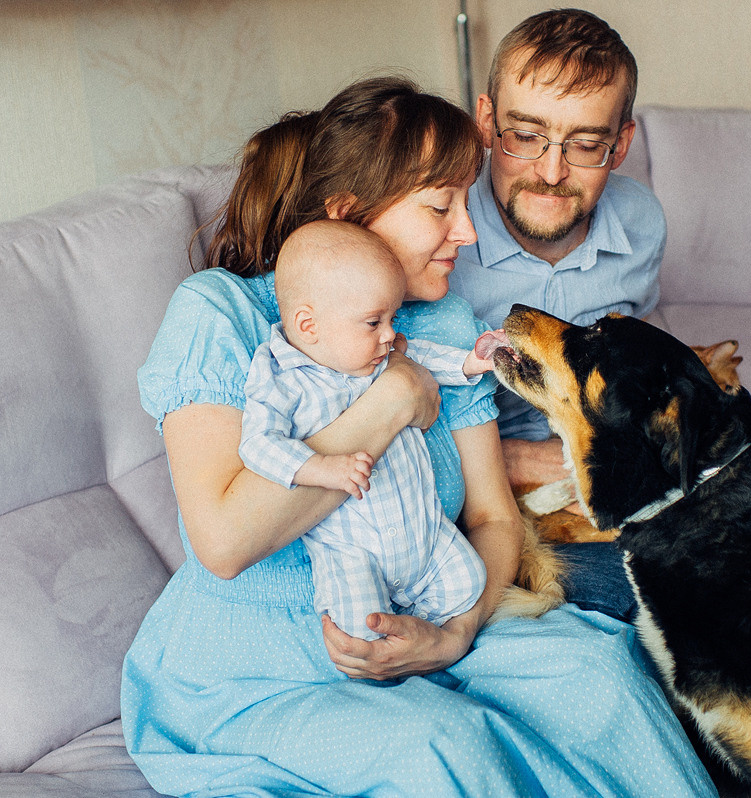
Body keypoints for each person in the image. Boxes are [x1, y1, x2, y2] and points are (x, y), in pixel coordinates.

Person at [121, 76, 717, 797]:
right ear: (353, 214)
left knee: (599, 677)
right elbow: (222, 541)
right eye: (441, 207)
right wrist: (390, 403)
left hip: (426, 615)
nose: (465, 232)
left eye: (465, 203)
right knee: (442, 744)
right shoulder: (222, 314)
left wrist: (457, 631)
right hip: (255, 664)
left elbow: (494, 519)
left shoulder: (443, 326)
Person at [240, 219, 503, 640]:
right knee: (362, 626)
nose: (389, 335)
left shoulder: (380, 356)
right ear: (309, 326)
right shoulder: (281, 377)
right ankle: (387, 648)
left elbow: (428, 360)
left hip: (423, 536)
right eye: (373, 322)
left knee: (469, 582)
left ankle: (422, 630)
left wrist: (471, 363)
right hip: (353, 552)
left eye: (392, 318)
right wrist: (317, 468)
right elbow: (258, 444)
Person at [448, 8, 664, 483]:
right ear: (486, 121)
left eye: (586, 145)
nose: (550, 174)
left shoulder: (642, 223)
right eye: (525, 137)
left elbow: (639, 342)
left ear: (622, 143)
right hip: (473, 489)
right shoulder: (438, 239)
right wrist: (520, 460)